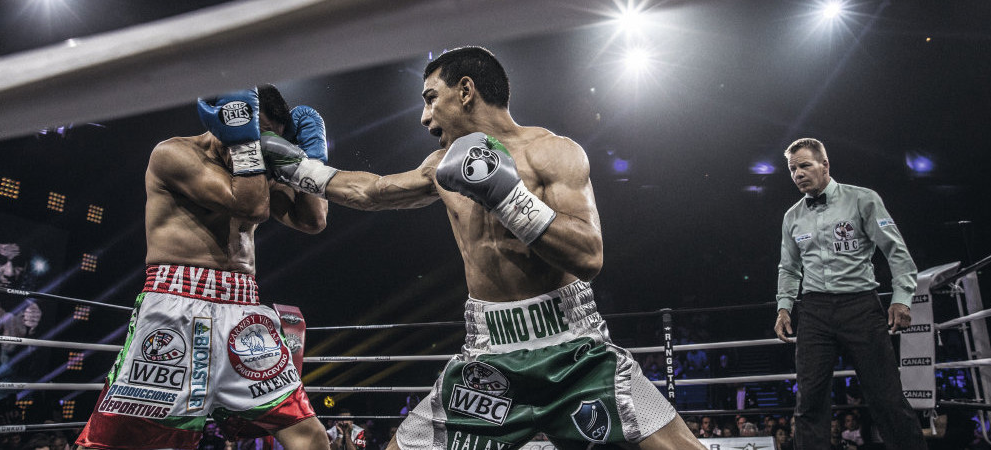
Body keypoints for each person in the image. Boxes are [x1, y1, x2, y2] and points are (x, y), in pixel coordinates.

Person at [261, 46, 706, 449]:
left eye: (431, 97)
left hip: (573, 348)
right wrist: (292, 164)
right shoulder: (441, 164)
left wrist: (506, 196)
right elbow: (373, 191)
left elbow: (589, 256)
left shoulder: (552, 152)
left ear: (466, 91)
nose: (424, 116)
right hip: (488, 353)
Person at [75, 86, 330, 449]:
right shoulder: (175, 154)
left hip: (243, 314)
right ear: (228, 118)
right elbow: (252, 206)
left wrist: (312, 161)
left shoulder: (256, 168)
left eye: (264, 138)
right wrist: (244, 142)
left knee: (309, 434)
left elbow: (313, 219)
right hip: (174, 307)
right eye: (249, 133)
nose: (254, 146)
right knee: (125, 442)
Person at [772, 138, 926, 450]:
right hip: (814, 311)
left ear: (824, 165)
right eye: (792, 169)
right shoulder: (792, 216)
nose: (797, 173)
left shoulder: (862, 199)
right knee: (809, 402)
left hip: (860, 305)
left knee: (886, 397)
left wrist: (901, 298)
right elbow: (789, 268)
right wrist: (784, 307)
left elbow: (895, 251)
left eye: (804, 165)